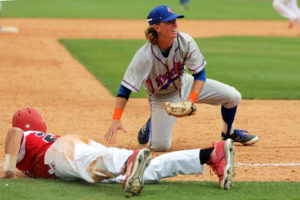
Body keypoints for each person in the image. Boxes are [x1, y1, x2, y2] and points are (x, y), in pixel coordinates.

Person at [105, 5, 258, 152]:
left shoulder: (186, 41)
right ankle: (152, 122)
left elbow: (200, 75)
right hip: (161, 98)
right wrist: (116, 118)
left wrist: (190, 101)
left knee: (233, 96)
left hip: (186, 84)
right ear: (157, 27)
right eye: (169, 22)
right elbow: (125, 89)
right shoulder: (144, 56)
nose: (175, 24)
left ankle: (228, 134)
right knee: (160, 146)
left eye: (175, 20)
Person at [2, 108, 236, 196]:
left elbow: (13, 133)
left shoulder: (27, 138)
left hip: (58, 154)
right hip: (72, 147)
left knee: (97, 162)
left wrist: (9, 168)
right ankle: (210, 154)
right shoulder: (39, 138)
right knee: (149, 171)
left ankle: (128, 160)